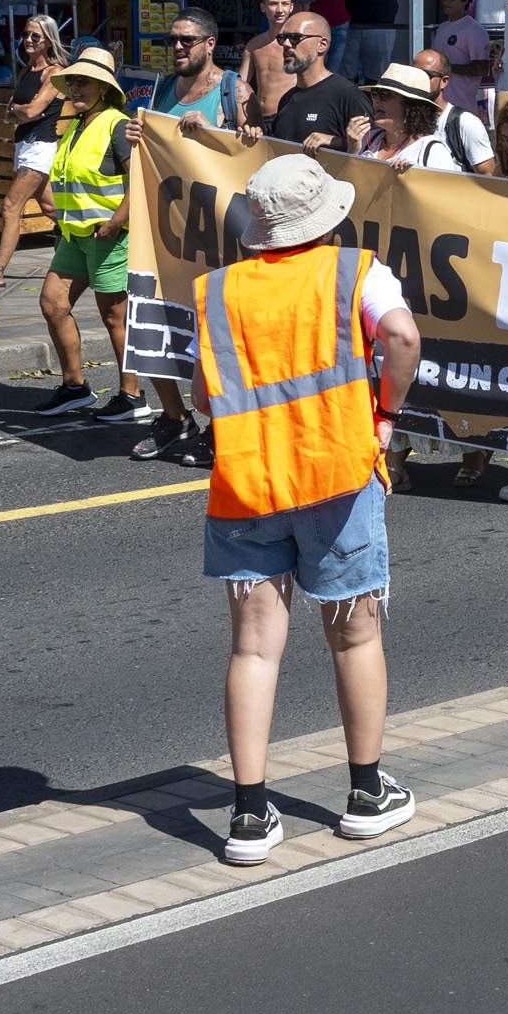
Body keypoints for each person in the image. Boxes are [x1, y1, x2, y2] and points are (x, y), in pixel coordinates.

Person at [192, 152, 425, 864]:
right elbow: (403, 337)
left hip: (246, 483)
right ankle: (364, 792)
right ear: (325, 216)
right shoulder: (355, 270)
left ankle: (249, 814)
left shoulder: (216, 289)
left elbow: (206, 399)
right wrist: (386, 410)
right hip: (335, 472)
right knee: (354, 636)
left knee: (254, 648)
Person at [20, 46, 145, 422]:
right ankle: (74, 386)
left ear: (103, 88)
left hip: (109, 237)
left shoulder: (116, 125)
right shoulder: (75, 125)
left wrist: (116, 222)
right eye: (72, 80)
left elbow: (135, 180)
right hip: (75, 236)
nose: (76, 87)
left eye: (84, 82)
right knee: (52, 304)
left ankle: (132, 396)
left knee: (115, 317)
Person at [0, 15, 69, 276]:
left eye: (35, 36)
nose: (28, 40)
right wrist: (21, 110)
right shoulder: (28, 69)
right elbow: (14, 110)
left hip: (40, 146)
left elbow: (33, 111)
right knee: (49, 207)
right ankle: (90, 237)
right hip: (23, 144)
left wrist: (22, 111)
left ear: (48, 41)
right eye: (25, 35)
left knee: (10, 206)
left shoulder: (55, 72)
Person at [241, 11, 372, 153]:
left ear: (322, 45)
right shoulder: (287, 100)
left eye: (295, 38)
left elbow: (374, 149)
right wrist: (255, 135)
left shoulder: (348, 96)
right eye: (282, 38)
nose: (285, 44)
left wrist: (335, 141)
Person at [365, 61, 485, 173]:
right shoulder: (366, 140)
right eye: (375, 94)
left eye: (385, 95)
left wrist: (413, 179)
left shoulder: (433, 151)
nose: (376, 101)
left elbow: (445, 194)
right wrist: (351, 150)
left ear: (410, 106)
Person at [428, 0, 494, 120]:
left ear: (465, 0)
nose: (445, 2)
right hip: (437, 107)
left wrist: (447, 68)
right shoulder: (442, 28)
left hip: (461, 110)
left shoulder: (474, 30)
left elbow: (482, 68)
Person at [240, 0, 302, 130]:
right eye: (274, 4)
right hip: (259, 120)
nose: (280, 10)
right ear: (263, 7)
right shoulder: (254, 45)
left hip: (290, 117)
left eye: (285, 4)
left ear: (291, 7)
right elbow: (240, 84)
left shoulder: (300, 43)